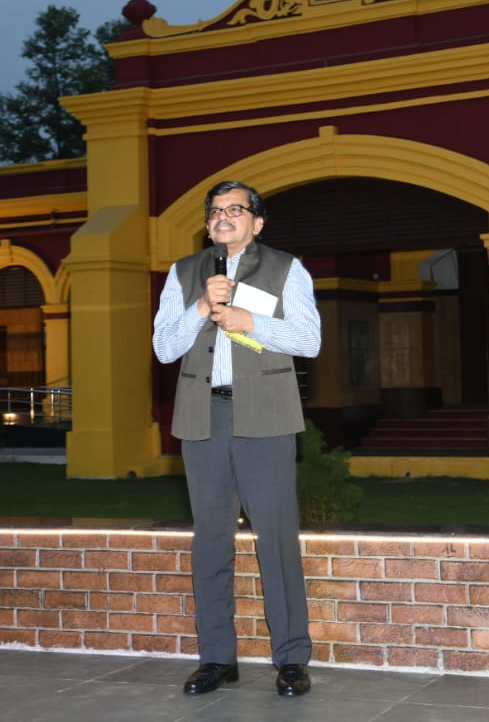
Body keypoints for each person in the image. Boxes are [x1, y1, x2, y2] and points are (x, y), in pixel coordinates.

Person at [152, 180, 321, 698]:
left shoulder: (287, 268)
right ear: (208, 225)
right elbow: (164, 348)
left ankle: (291, 659)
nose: (222, 217)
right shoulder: (183, 273)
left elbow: (309, 340)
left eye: (235, 209)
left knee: (277, 540)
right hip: (202, 417)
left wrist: (251, 321)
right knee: (209, 541)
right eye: (215, 211)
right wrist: (202, 307)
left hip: (266, 415)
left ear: (257, 222)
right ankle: (217, 658)